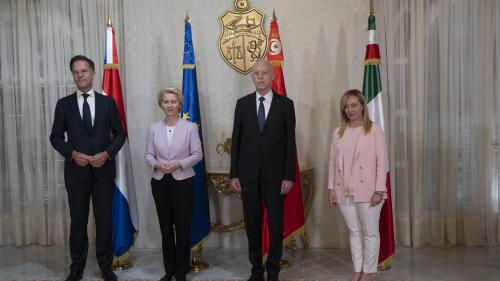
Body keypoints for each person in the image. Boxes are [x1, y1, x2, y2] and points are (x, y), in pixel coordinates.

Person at [50, 55, 125, 281]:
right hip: (76, 173)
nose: (80, 75)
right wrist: (72, 154)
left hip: (103, 172)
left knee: (103, 221)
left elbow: (120, 134)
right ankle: (77, 266)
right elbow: (55, 137)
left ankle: (105, 266)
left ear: (93, 73)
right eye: (75, 71)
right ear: (72, 75)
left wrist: (107, 153)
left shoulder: (107, 102)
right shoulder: (63, 104)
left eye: (84, 71)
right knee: (78, 221)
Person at [230, 60, 296, 281]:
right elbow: (236, 141)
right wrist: (234, 174)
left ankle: (273, 271)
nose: (260, 77)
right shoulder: (242, 104)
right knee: (252, 225)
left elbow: (291, 143)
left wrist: (289, 175)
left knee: (276, 226)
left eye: (264, 73)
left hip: (276, 177)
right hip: (248, 176)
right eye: (256, 73)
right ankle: (256, 270)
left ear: (272, 76)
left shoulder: (285, 105)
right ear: (252, 77)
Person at [327, 89, 387, 281]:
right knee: (354, 232)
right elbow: (333, 163)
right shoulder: (338, 132)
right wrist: (331, 189)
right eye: (346, 106)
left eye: (354, 105)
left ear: (362, 106)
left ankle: (368, 271)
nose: (350, 109)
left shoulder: (374, 129)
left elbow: (381, 161)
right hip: (343, 190)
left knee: (370, 232)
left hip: (369, 191)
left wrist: (379, 190)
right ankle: (358, 269)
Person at [145, 87, 203, 281]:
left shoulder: (190, 127)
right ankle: (169, 271)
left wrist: (179, 164)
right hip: (160, 182)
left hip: (183, 182)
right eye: (166, 102)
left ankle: (181, 271)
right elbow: (148, 154)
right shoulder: (154, 128)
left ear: (180, 104)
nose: (170, 105)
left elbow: (197, 155)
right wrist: (156, 164)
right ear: (161, 104)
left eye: (173, 102)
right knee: (166, 228)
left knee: (182, 227)